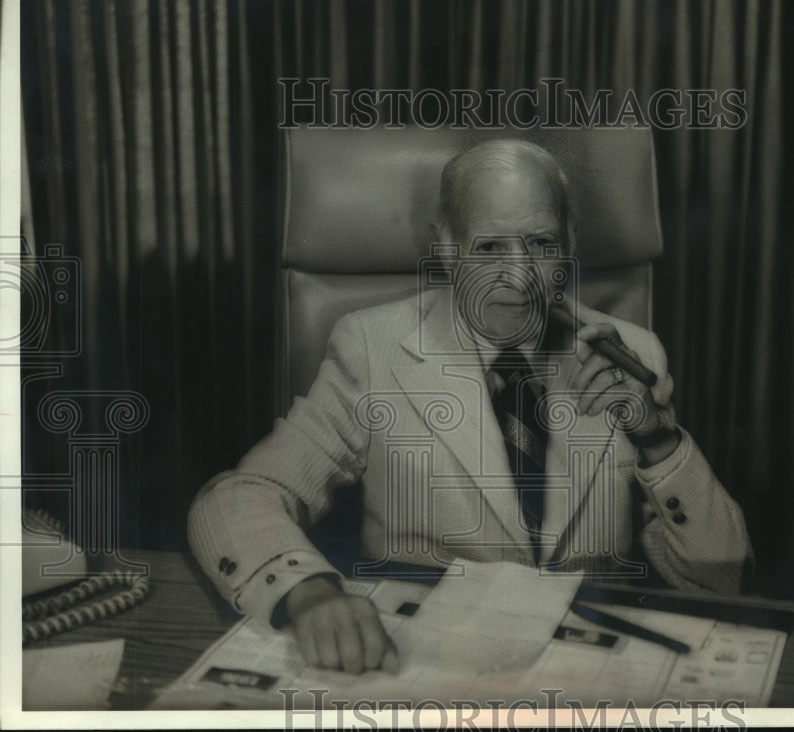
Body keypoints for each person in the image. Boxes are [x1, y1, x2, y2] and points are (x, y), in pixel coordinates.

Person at [188, 139, 752, 676]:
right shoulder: (372, 349)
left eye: (541, 243)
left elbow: (723, 580)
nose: (520, 277)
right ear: (447, 246)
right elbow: (240, 495)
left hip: (587, 664)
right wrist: (307, 593)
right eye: (489, 248)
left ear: (571, 241)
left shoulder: (631, 354)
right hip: (420, 657)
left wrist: (658, 441)